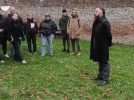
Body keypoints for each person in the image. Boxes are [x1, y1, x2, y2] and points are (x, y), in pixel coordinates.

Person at [90, 8, 112, 86]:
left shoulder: (105, 22)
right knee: (100, 60)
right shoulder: (97, 22)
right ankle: (100, 76)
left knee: (104, 61)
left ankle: (105, 79)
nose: (95, 12)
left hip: (104, 46)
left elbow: (109, 35)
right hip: (97, 45)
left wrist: (108, 45)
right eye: (95, 11)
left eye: (96, 11)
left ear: (102, 12)